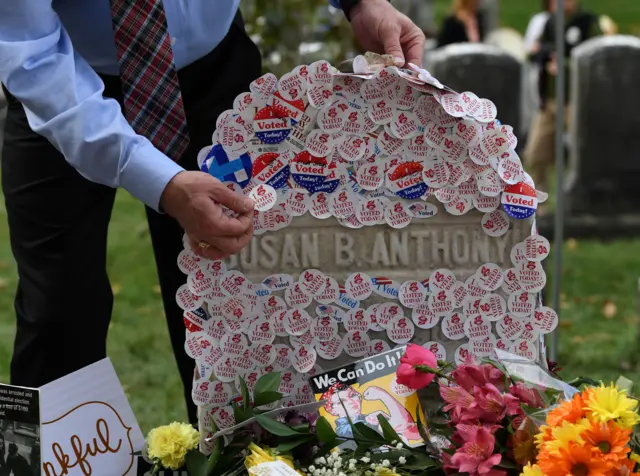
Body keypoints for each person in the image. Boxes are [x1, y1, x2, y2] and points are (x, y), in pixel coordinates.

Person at [0, 0, 425, 425]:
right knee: (57, 305)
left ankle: (254, 461)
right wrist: (160, 182)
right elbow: (29, 50)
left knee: (243, 296)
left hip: (213, 71)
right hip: (59, 88)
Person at [524, 0, 600, 192]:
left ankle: (581, 195)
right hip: (549, 100)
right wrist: (547, 56)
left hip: (576, 100)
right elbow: (534, 52)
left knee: (582, 154)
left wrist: (564, 64)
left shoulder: (587, 22)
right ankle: (539, 201)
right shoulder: (550, 22)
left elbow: (595, 55)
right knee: (535, 154)